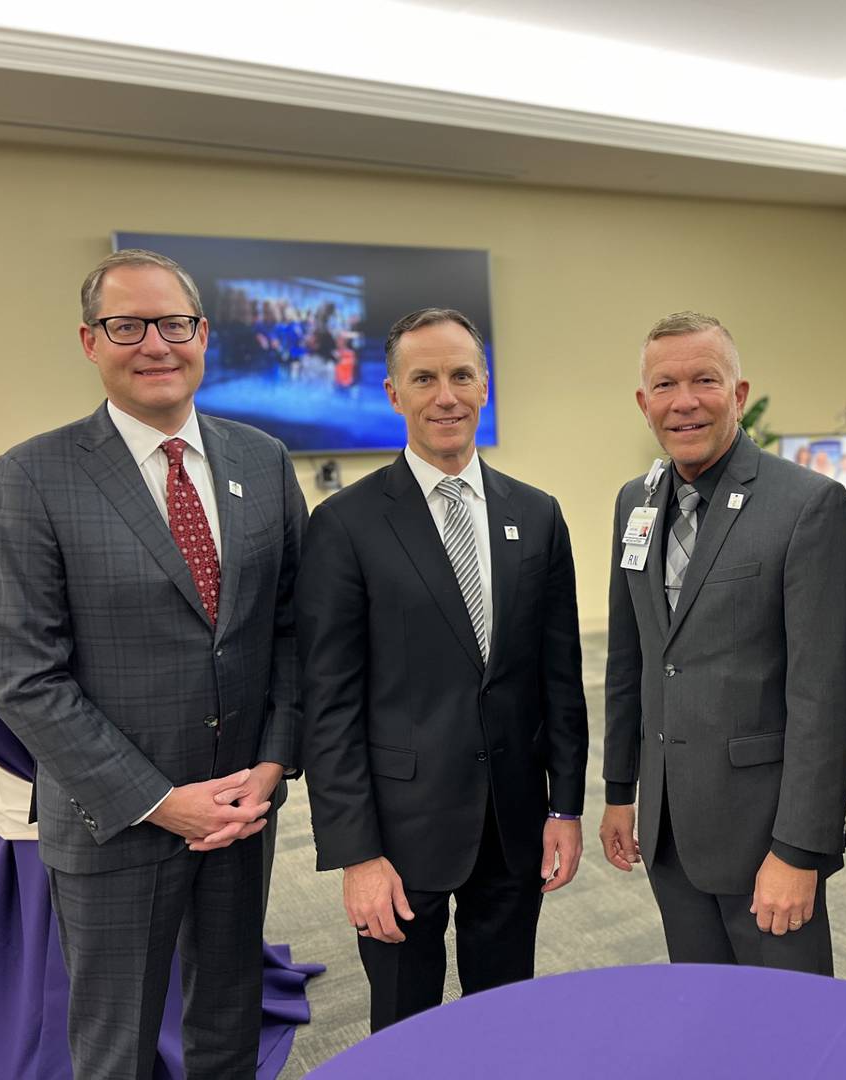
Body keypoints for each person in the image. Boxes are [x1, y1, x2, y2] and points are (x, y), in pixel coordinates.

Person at [0, 248, 307, 1079]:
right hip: (113, 823)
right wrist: (162, 802)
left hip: (239, 808)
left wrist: (271, 763)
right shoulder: (32, 475)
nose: (155, 343)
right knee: (115, 1046)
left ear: (204, 336)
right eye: (128, 325)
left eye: (175, 324)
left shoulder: (262, 461)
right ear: (91, 342)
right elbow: (27, 677)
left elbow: (297, 629)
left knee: (230, 1025)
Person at [297, 307, 588, 1031]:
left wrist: (566, 806)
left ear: (485, 386)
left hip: (514, 825)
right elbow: (328, 703)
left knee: (503, 1022)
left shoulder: (538, 515)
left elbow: (560, 675)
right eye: (423, 378)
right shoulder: (344, 525)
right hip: (399, 836)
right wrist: (355, 854)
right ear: (393, 394)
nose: (445, 395)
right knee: (405, 1029)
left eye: (461, 375)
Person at [600, 311, 846, 973]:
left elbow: (825, 698)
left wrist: (799, 850)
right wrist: (618, 790)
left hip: (764, 836)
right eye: (665, 385)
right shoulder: (634, 502)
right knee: (707, 1019)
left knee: (790, 1034)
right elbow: (630, 659)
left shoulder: (807, 505)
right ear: (644, 403)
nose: (684, 401)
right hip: (668, 827)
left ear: (740, 394)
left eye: (705, 380)